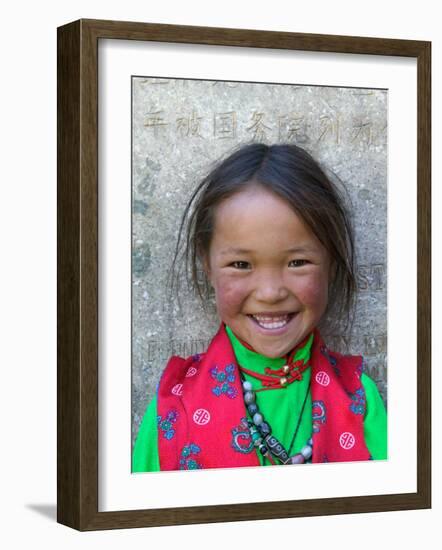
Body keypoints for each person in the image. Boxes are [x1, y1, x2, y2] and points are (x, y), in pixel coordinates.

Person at [132, 143, 387, 471]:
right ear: (206, 265)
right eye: (240, 264)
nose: (269, 293)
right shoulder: (173, 407)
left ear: (332, 265)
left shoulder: (357, 400)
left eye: (298, 262)